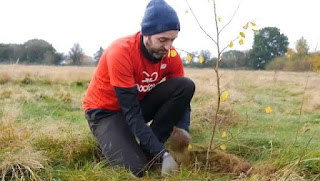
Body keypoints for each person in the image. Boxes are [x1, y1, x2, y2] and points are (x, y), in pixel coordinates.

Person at [83, 0, 195, 177]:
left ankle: (146, 147)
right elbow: (132, 113)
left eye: (172, 40)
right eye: (162, 40)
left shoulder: (171, 54)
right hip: (106, 113)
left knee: (185, 85)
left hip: (138, 104)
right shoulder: (121, 52)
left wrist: (183, 129)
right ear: (146, 34)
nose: (168, 46)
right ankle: (111, 139)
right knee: (136, 170)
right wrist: (163, 154)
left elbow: (183, 97)